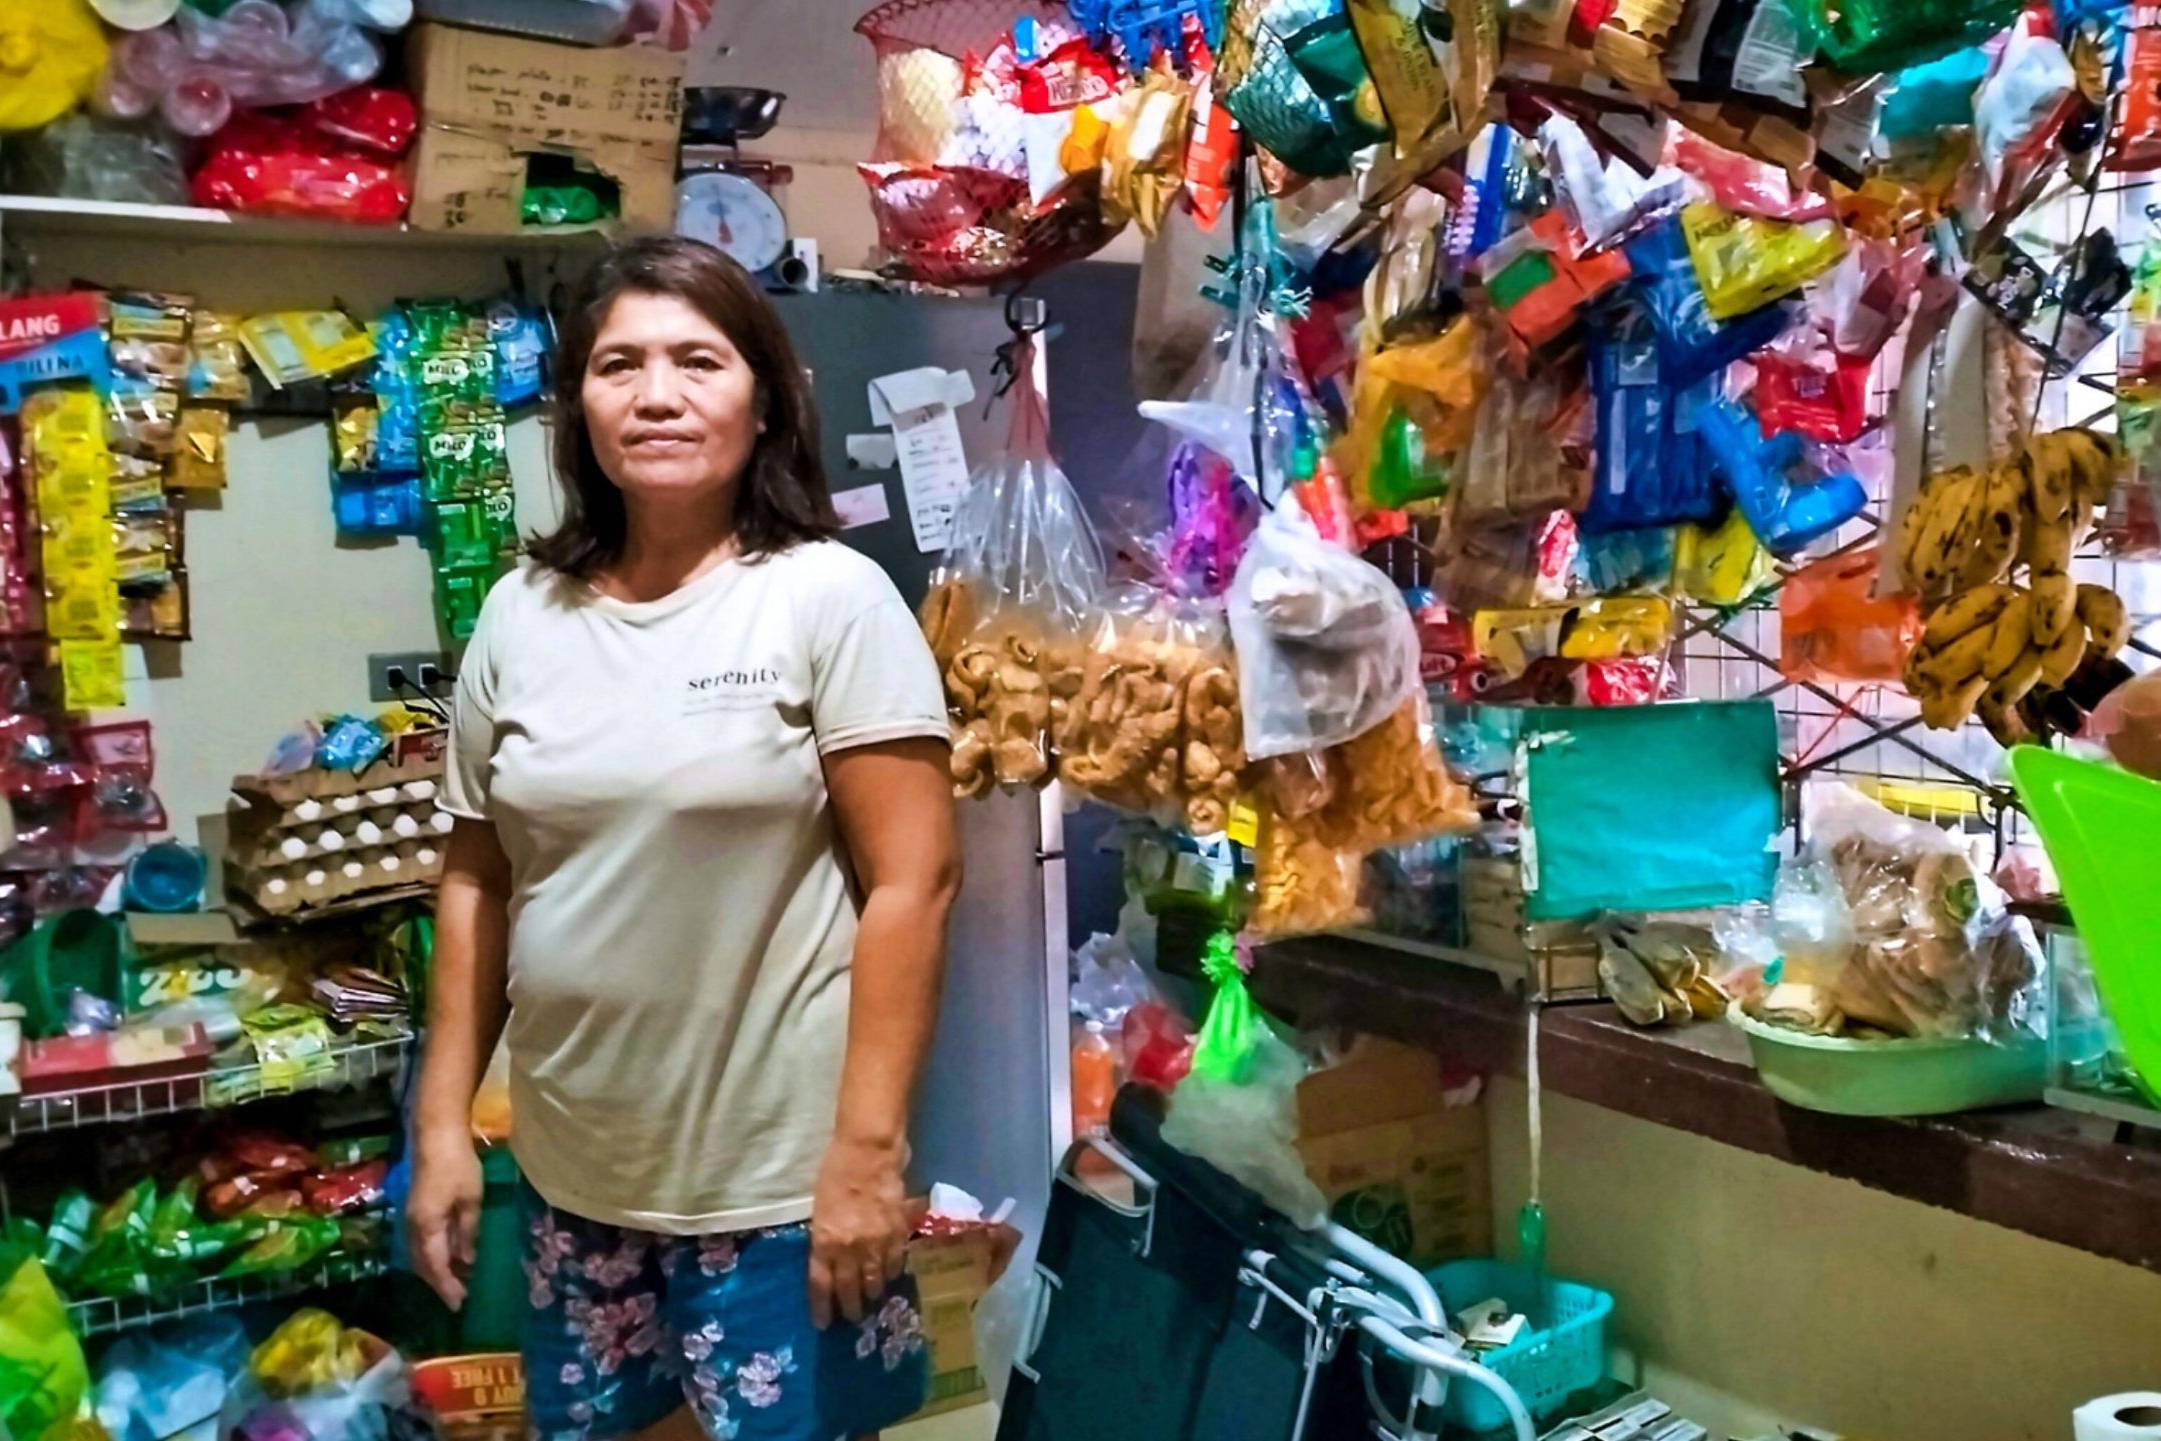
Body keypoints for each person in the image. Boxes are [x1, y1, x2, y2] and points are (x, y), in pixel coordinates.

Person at [407, 235, 961, 1441]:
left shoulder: (826, 597)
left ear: (763, 399)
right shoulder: (519, 612)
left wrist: (869, 1153)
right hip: (573, 1170)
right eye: (620, 365)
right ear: (579, 406)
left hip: (774, 1181)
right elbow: (475, 875)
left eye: (697, 360)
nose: (656, 394)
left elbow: (913, 883)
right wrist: (441, 1125)